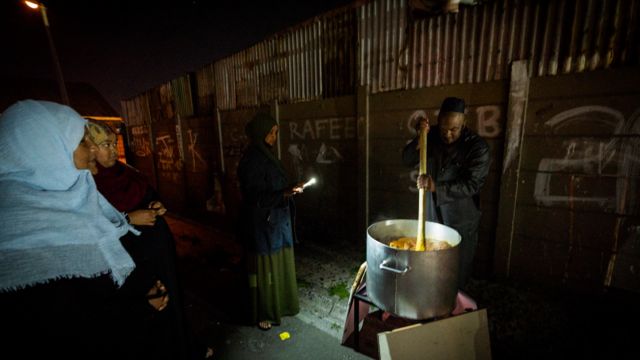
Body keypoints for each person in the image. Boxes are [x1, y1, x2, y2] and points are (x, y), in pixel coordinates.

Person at [0, 100, 139, 358]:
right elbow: (73, 320)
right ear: (45, 150)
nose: (91, 153)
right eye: (81, 144)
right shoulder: (18, 229)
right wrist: (139, 309)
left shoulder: (73, 199)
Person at [85, 121, 212, 359]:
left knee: (172, 297)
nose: (112, 150)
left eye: (114, 143)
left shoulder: (126, 172)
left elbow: (150, 196)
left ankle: (184, 346)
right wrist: (128, 220)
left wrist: (157, 206)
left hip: (158, 252)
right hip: (132, 261)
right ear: (90, 148)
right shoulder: (87, 185)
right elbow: (91, 228)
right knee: (151, 306)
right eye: (105, 145)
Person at [402, 97, 491, 290]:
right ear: (438, 122)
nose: (448, 134)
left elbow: (472, 184)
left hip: (461, 218)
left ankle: (454, 307)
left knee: (457, 270)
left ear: (464, 123)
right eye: (443, 129)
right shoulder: (430, 135)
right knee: (431, 263)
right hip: (432, 214)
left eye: (454, 129)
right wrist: (420, 137)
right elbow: (407, 159)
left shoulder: (477, 147)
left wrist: (437, 187)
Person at [237, 112, 304, 331]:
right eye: (272, 132)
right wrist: (285, 193)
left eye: (276, 132)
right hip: (263, 226)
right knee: (265, 270)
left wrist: (289, 188)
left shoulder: (266, 155)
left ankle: (281, 305)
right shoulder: (252, 159)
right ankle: (263, 312)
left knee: (279, 266)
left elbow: (274, 186)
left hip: (276, 223)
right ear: (262, 133)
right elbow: (255, 197)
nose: (275, 137)